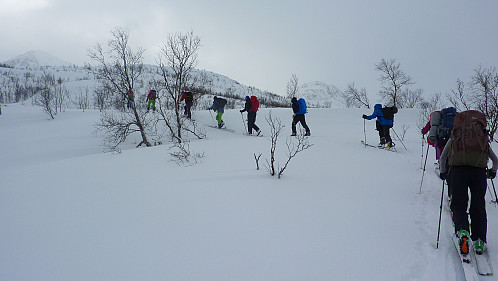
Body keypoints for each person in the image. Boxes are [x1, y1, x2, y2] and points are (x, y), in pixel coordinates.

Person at [439, 110, 498, 256]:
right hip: (478, 172)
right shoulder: (481, 137)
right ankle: (479, 240)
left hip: (458, 171)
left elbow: (443, 157)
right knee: (478, 205)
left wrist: (443, 171)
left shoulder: (456, 135)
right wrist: (492, 171)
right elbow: (495, 160)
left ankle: (463, 230)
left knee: (459, 204)